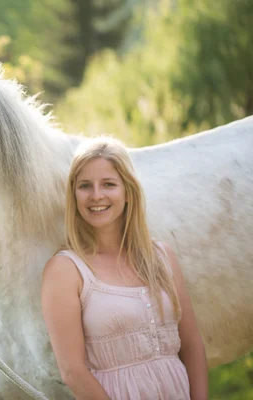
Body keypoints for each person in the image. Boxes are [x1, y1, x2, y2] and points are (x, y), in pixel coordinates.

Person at [41, 137, 208, 400]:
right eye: (85, 186)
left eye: (108, 184)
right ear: (74, 194)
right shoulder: (65, 269)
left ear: (128, 191)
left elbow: (192, 346)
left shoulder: (162, 256)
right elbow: (72, 371)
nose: (96, 195)